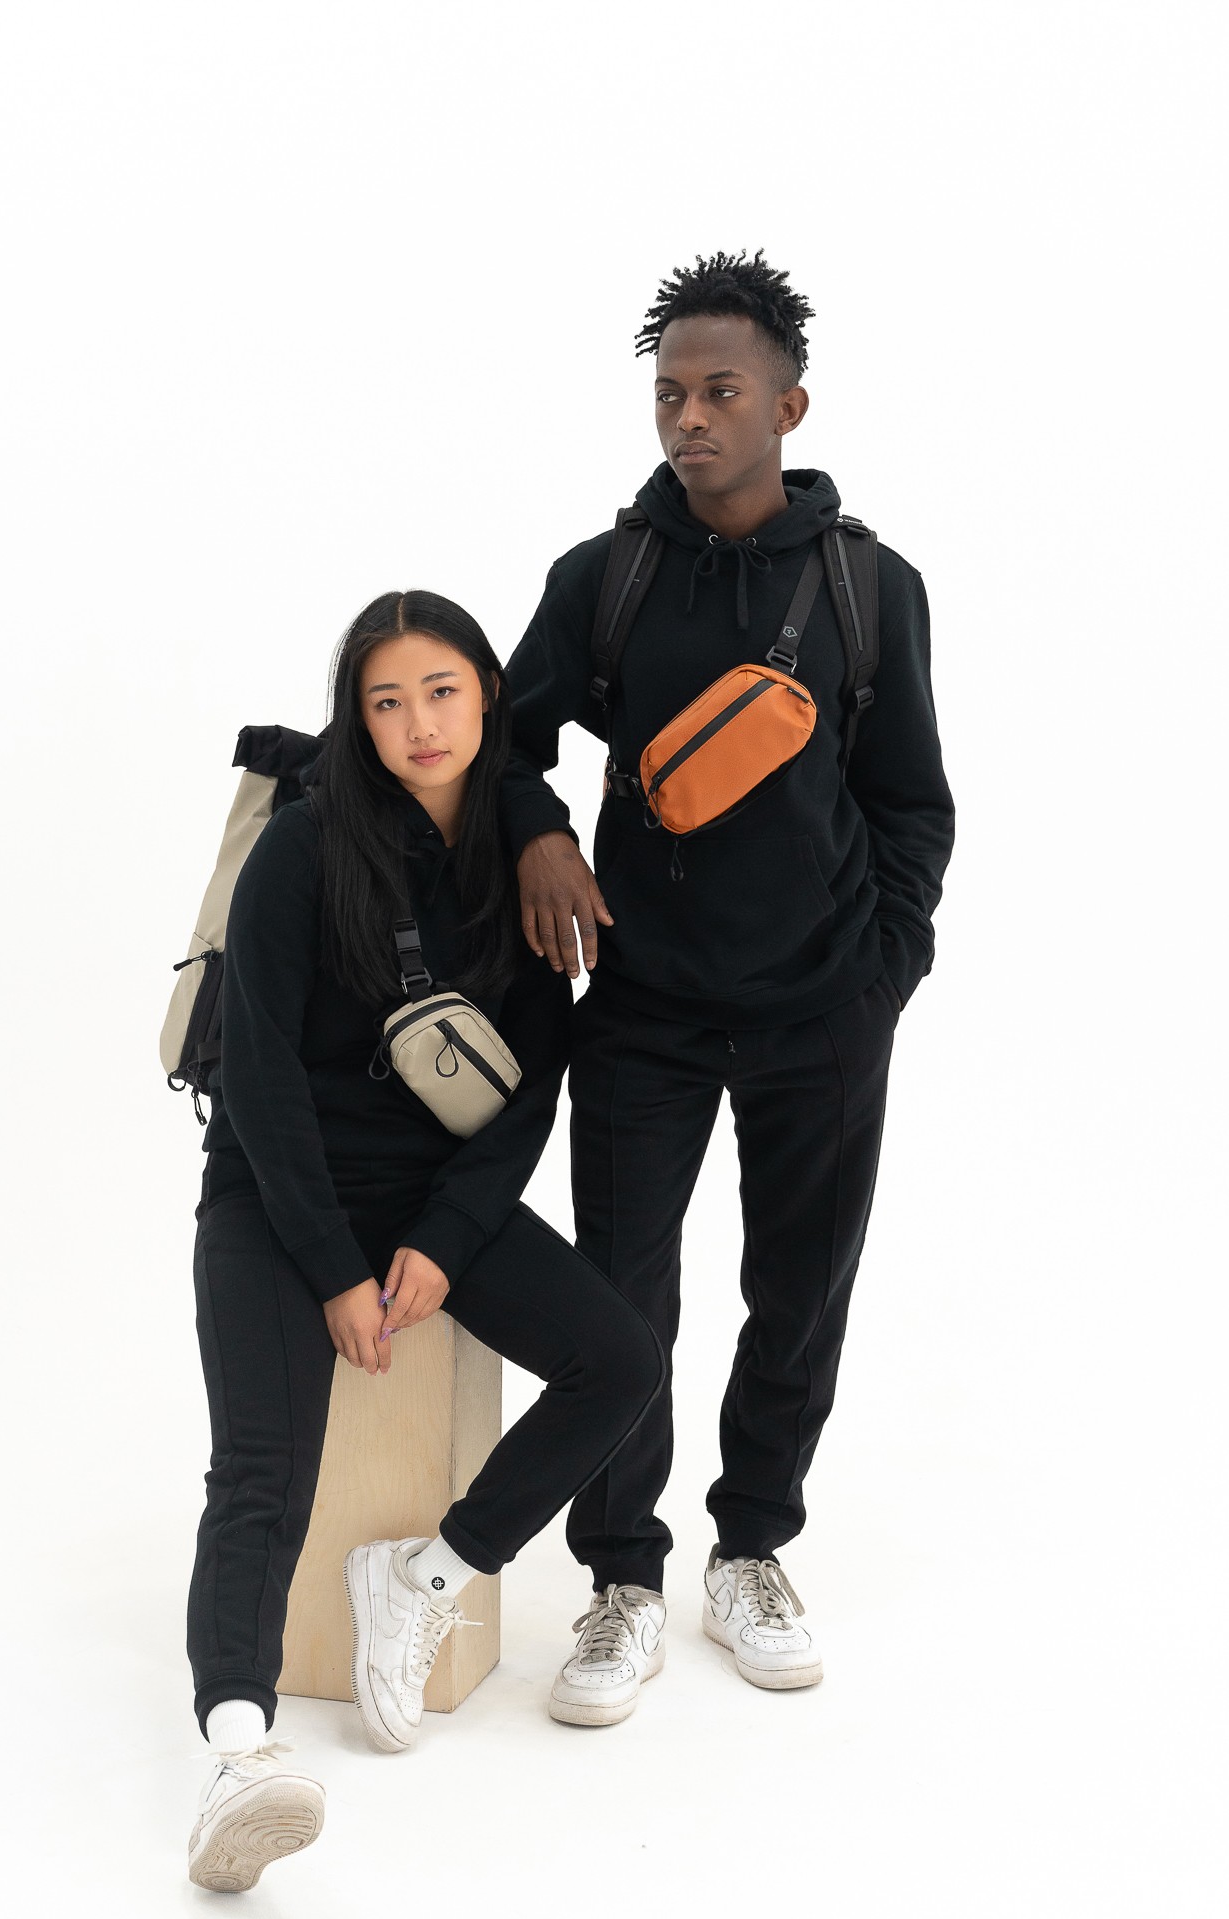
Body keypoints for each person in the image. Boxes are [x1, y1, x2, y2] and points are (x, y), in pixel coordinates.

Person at [496, 251, 955, 1724]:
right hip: (643, 1010)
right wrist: (543, 832)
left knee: (798, 1290)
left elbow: (911, 804)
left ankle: (751, 1549)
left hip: (823, 1013)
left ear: (787, 408)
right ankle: (621, 1579)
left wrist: (881, 972)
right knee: (621, 1302)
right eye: (669, 395)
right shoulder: (607, 577)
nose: (688, 418)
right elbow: (505, 742)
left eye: (720, 393)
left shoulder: (869, 588)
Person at [184, 590, 664, 1891]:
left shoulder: (523, 864)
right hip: (274, 1194)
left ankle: (427, 1575)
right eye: (385, 701)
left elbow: (528, 1089)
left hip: (433, 1193)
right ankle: (237, 1751)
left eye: (441, 692)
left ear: (488, 698)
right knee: (261, 1471)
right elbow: (259, 1079)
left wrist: (445, 1242)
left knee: (621, 1362)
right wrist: (332, 1265)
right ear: (358, 718)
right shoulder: (304, 846)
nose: (418, 724)